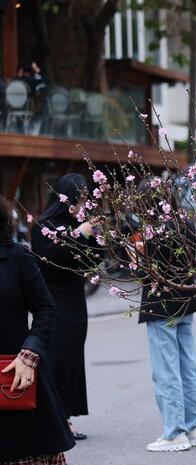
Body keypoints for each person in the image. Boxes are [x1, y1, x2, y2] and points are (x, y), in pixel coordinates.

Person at [0, 198, 75, 465]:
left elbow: (46, 310)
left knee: (23, 455)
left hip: (14, 371)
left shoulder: (17, 257)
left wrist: (29, 356)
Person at [31, 174, 100, 440]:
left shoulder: (79, 224)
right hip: (51, 302)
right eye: (79, 200)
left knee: (71, 360)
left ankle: (65, 417)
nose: (81, 206)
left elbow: (92, 260)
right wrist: (77, 235)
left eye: (84, 201)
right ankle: (52, 419)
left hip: (75, 301)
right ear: (66, 199)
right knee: (54, 360)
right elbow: (52, 259)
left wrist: (94, 237)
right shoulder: (44, 226)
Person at [135, 190, 196, 452]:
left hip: (160, 305)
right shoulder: (186, 223)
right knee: (188, 365)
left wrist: (137, 257)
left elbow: (147, 274)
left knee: (166, 369)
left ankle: (174, 432)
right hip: (185, 300)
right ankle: (192, 426)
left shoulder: (153, 230)